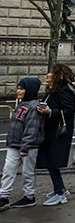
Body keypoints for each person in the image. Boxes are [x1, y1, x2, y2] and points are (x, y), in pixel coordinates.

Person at [0, 77, 45, 210]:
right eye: (18, 88)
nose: (18, 91)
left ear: (29, 90)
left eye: (21, 89)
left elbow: (32, 129)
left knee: (27, 171)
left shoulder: (34, 107)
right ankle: (3, 196)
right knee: (8, 169)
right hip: (14, 144)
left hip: (28, 146)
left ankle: (29, 196)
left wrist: (25, 147)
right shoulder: (22, 104)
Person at [35, 62, 75, 206]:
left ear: (58, 76)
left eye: (51, 73)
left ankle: (60, 192)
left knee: (53, 162)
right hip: (50, 131)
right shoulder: (53, 90)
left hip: (58, 133)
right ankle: (59, 188)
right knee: (51, 162)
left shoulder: (64, 91)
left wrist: (50, 112)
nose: (48, 75)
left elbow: (69, 111)